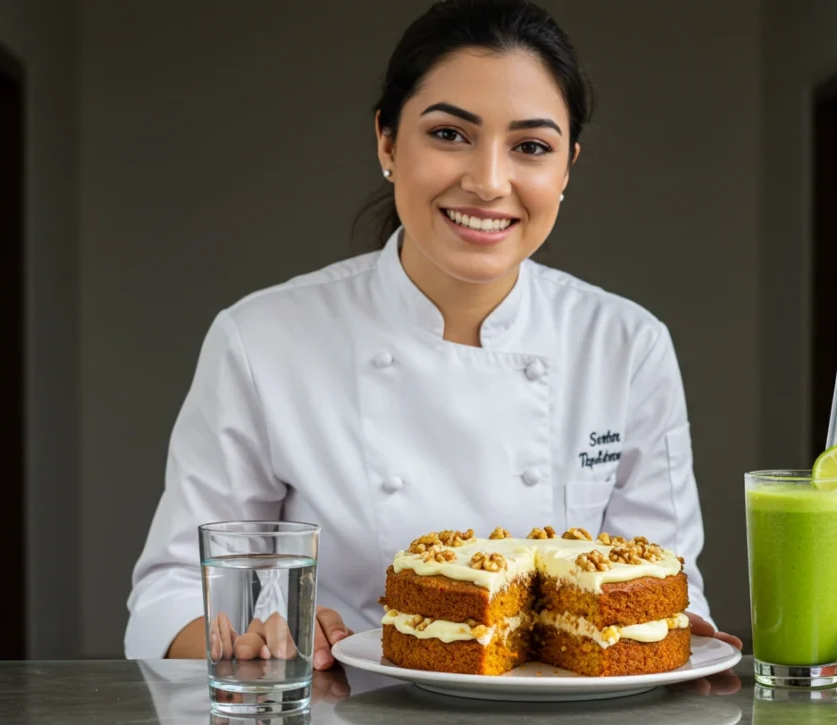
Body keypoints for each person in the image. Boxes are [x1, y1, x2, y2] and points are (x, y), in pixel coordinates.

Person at [124, 0, 742, 668]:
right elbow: (173, 591)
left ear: (565, 169)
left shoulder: (625, 344)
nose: (487, 182)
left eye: (531, 147)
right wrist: (258, 640)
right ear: (387, 141)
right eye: (450, 134)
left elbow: (665, 582)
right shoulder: (262, 338)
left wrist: (681, 635)